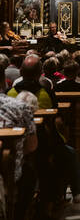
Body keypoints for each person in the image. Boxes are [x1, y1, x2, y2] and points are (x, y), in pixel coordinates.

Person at [0, 60, 38, 217]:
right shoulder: (19, 107)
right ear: (3, 81)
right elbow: (31, 146)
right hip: (9, 170)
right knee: (30, 170)